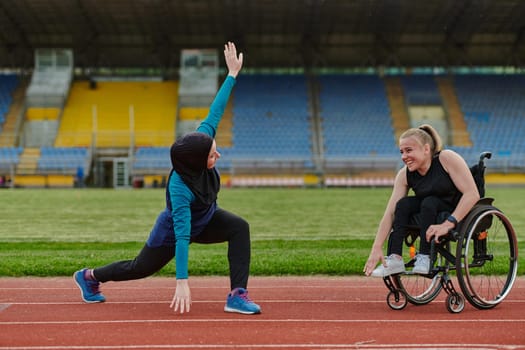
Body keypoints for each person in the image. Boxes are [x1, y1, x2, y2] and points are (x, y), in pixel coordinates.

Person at [74, 42, 261, 315]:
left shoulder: (201, 138)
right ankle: (90, 276)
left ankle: (237, 295)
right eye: (211, 155)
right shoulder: (180, 187)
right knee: (139, 268)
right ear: (197, 162)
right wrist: (182, 282)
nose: (217, 155)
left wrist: (232, 74)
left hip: (206, 218)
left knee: (239, 227)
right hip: (173, 233)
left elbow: (216, 111)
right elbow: (182, 236)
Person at [363, 124, 480, 277]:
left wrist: (448, 223)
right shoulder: (404, 174)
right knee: (403, 204)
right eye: (401, 152)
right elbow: (390, 213)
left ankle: (425, 256)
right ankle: (395, 259)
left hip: (454, 207)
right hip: (429, 210)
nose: (404, 156)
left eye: (409, 150)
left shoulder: (446, 158)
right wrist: (376, 247)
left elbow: (472, 194)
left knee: (429, 201)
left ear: (426, 149)